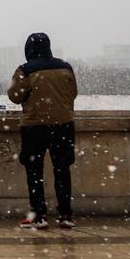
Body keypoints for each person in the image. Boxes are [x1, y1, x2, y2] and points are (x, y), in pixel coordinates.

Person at [8, 32, 78, 230]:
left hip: (34, 126)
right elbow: (72, 93)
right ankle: (66, 214)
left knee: (34, 171)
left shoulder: (25, 70)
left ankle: (38, 215)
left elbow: (15, 96)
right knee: (62, 169)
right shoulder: (65, 68)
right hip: (63, 124)